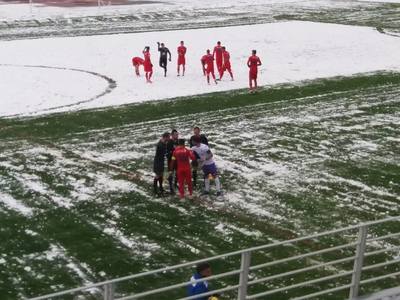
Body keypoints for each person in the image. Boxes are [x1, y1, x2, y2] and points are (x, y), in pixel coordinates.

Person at [153, 132, 170, 197]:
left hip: (161, 162)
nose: (169, 138)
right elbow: (165, 153)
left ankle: (161, 188)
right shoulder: (160, 145)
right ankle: (155, 190)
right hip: (158, 163)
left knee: (161, 175)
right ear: (165, 137)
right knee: (158, 175)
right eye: (168, 137)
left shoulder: (163, 143)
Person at [166, 129, 179, 194]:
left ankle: (175, 184)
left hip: (177, 161)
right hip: (171, 161)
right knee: (171, 173)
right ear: (172, 135)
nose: (177, 136)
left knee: (177, 173)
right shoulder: (169, 142)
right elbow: (167, 153)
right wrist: (173, 152)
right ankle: (171, 188)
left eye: (177, 134)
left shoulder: (178, 142)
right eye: (176, 135)